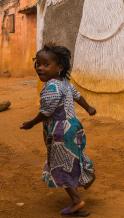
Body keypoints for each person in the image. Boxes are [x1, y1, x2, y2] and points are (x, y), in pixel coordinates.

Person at [20, 42, 96, 217]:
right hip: (74, 126)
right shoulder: (65, 83)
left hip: (60, 130)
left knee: (61, 163)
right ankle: (87, 174)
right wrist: (89, 108)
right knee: (74, 155)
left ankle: (76, 200)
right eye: (38, 64)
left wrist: (31, 123)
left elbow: (46, 112)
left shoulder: (50, 88)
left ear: (59, 67)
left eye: (46, 65)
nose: (40, 68)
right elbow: (77, 96)